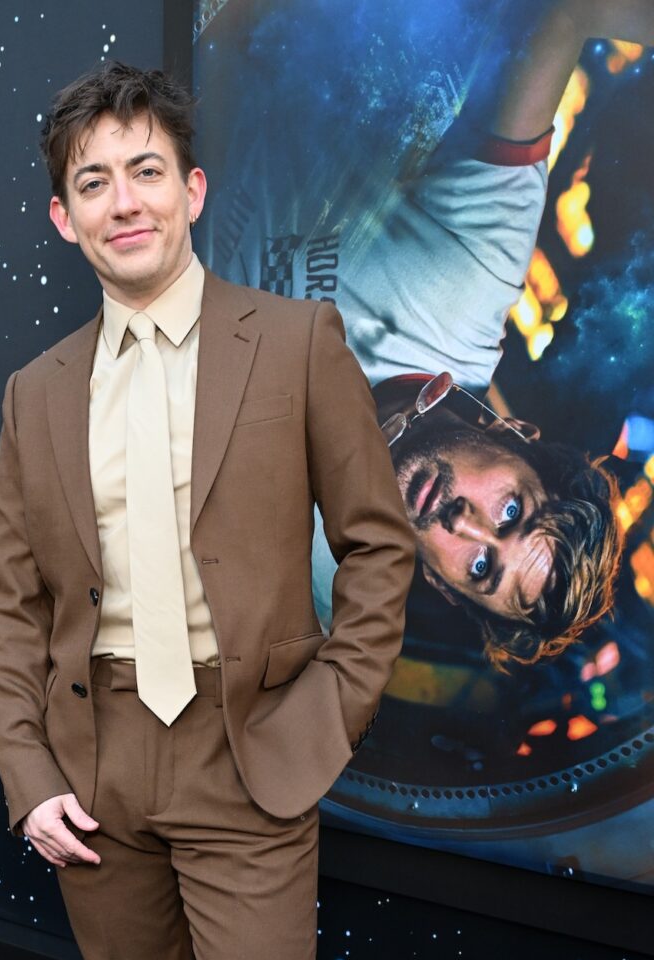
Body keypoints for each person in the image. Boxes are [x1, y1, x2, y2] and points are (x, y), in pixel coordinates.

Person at [0, 62, 414, 960]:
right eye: (94, 182)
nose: (125, 201)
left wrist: (330, 712)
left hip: (246, 767)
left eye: (146, 170)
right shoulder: (34, 392)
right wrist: (23, 766)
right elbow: (12, 610)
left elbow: (377, 544)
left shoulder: (293, 343)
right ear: (64, 217)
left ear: (194, 190)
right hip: (96, 768)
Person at [212, 0, 647, 667]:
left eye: (480, 568)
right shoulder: (472, 275)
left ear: (443, 586)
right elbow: (562, 15)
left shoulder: (313, 581)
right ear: (519, 438)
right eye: (511, 513)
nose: (465, 524)